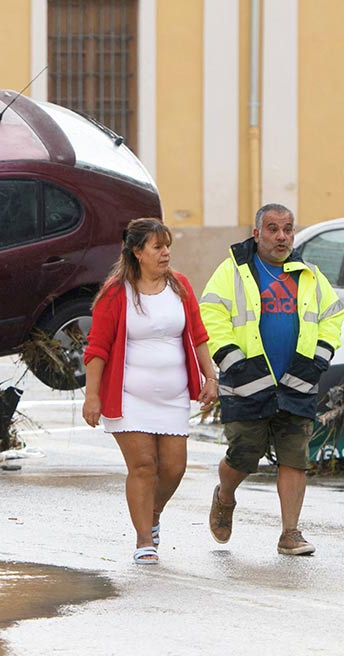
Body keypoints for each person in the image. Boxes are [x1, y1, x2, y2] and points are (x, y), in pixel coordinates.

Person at [200, 204, 344, 555]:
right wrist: (233, 361)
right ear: (257, 233)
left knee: (295, 456)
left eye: (288, 229)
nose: (282, 236)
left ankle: (290, 533)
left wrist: (319, 357)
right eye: (273, 229)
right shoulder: (232, 271)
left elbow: (332, 315)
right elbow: (212, 314)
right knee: (244, 455)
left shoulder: (308, 275)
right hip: (247, 381)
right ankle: (225, 495)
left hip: (297, 381)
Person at [82, 218, 218, 565]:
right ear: (138, 252)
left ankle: (152, 512)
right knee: (144, 466)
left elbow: (198, 336)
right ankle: (145, 539)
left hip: (172, 398)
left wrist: (210, 377)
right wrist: (92, 396)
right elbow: (96, 348)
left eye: (167, 246)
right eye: (158, 247)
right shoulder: (115, 293)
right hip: (130, 397)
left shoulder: (181, 287)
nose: (166, 253)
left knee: (174, 467)